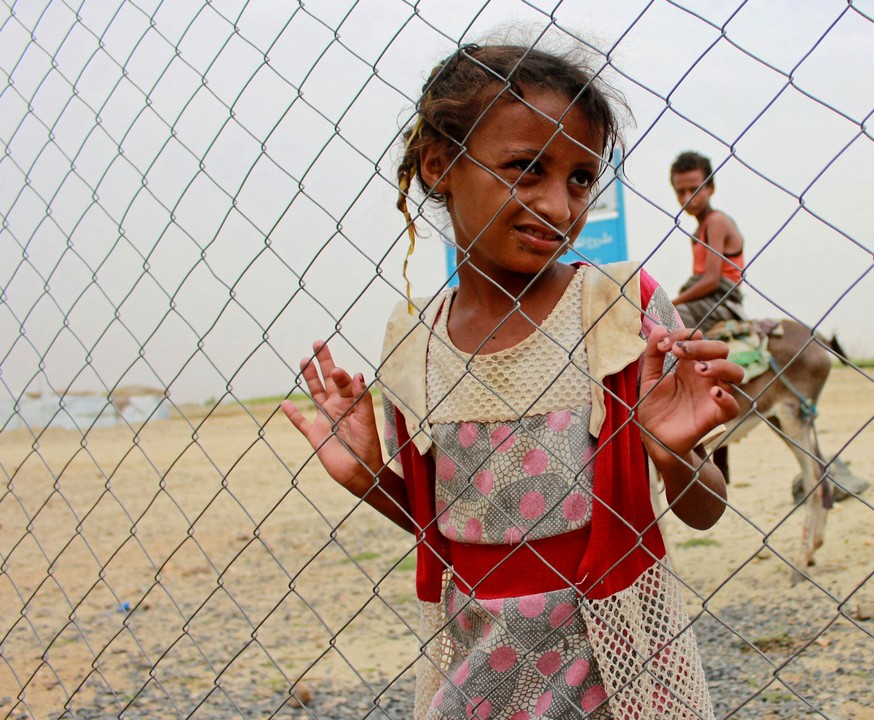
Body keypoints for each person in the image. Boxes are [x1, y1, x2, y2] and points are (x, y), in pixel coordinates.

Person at [281, 43, 743, 719]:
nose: (559, 205)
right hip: (478, 681)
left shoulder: (619, 312)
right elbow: (444, 528)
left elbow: (704, 508)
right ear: (439, 165)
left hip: (617, 674)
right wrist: (367, 479)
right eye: (526, 169)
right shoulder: (413, 342)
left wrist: (675, 457)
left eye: (582, 179)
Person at [669, 151, 749, 335]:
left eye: (695, 189)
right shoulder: (698, 232)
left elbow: (711, 281)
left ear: (710, 188)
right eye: (681, 192)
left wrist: (674, 302)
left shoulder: (716, 222)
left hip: (722, 301)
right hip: (705, 302)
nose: (688, 198)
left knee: (677, 316)